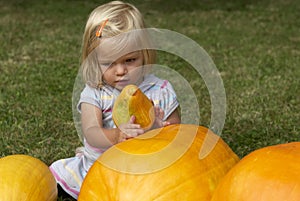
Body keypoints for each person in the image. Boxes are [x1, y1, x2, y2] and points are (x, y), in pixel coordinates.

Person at [50, 1, 181, 199]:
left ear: (144, 54)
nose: (121, 71)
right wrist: (116, 136)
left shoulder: (160, 90)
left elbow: (178, 132)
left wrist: (158, 128)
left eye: (130, 60)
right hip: (102, 168)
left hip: (149, 169)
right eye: (109, 63)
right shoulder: (95, 92)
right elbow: (92, 133)